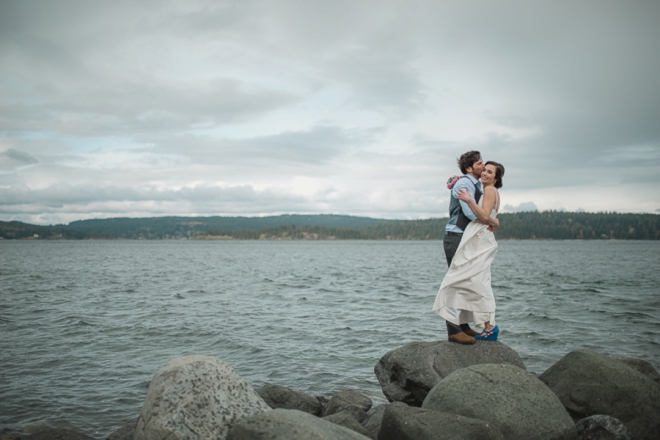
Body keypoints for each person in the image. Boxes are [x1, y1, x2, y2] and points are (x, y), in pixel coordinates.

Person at [433, 159, 505, 343]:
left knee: (467, 280)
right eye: (483, 169)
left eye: (490, 172)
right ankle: (477, 326)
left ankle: (484, 326)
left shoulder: (488, 189)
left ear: (496, 179)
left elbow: (482, 215)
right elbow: (488, 216)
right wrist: (492, 220)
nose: (485, 173)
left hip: (479, 237)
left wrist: (469, 201)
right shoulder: (479, 186)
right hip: (477, 236)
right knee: (474, 280)